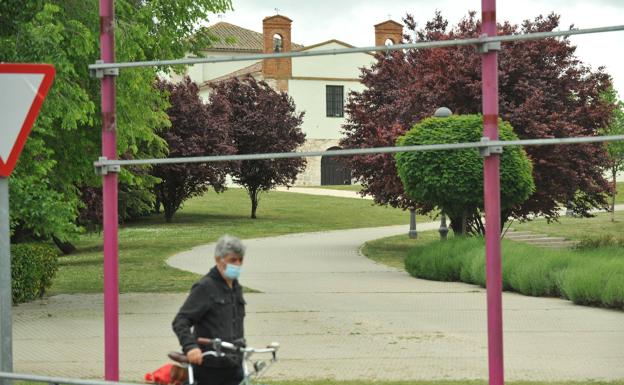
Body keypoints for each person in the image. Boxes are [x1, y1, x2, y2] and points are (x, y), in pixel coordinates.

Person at [172, 235, 247, 385]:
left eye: (240, 260)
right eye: (233, 260)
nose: (237, 264)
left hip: (234, 365)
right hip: (210, 368)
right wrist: (191, 347)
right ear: (219, 259)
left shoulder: (236, 287)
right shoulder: (205, 287)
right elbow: (181, 321)